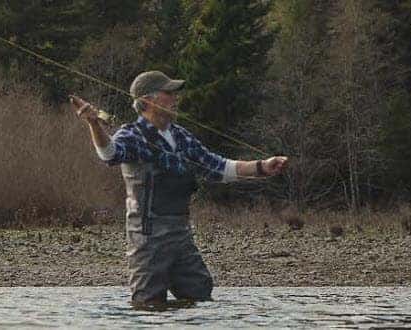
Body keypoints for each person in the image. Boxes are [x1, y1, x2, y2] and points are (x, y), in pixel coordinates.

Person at [71, 71, 289, 308]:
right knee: (149, 305)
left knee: (200, 296)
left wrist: (262, 166)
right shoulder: (132, 134)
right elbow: (110, 154)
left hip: (180, 233)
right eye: (169, 93)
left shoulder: (181, 136)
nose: (176, 99)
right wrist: (94, 123)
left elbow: (217, 167)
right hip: (147, 236)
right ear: (149, 100)